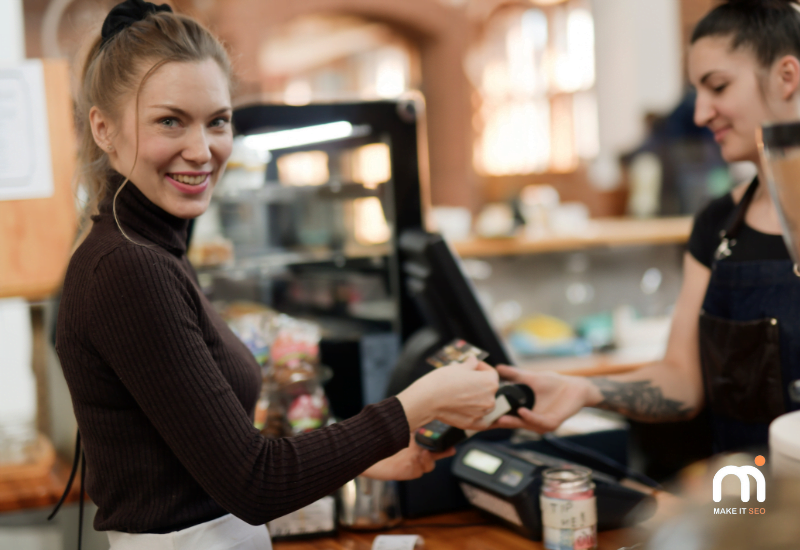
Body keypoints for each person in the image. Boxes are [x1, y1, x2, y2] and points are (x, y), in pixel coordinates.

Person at [54, 1, 500, 548]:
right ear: (103, 128)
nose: (202, 150)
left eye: (217, 121)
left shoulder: (150, 250)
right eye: (170, 121)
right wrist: (419, 404)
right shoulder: (128, 268)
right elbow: (254, 481)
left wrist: (360, 461)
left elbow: (205, 448)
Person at [497, 0, 800, 454]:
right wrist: (587, 391)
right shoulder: (718, 226)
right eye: (697, 91)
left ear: (787, 76)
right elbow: (681, 379)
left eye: (718, 86)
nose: (701, 114)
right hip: (748, 507)